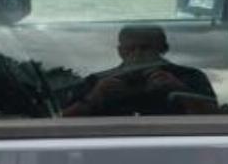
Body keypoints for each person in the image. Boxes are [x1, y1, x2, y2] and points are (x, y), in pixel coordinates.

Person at [62, 25, 217, 117]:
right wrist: (95, 97)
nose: (137, 54)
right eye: (130, 49)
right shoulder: (96, 82)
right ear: (120, 51)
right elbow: (62, 122)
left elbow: (216, 119)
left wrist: (179, 90)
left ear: (163, 48)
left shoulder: (190, 77)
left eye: (145, 48)